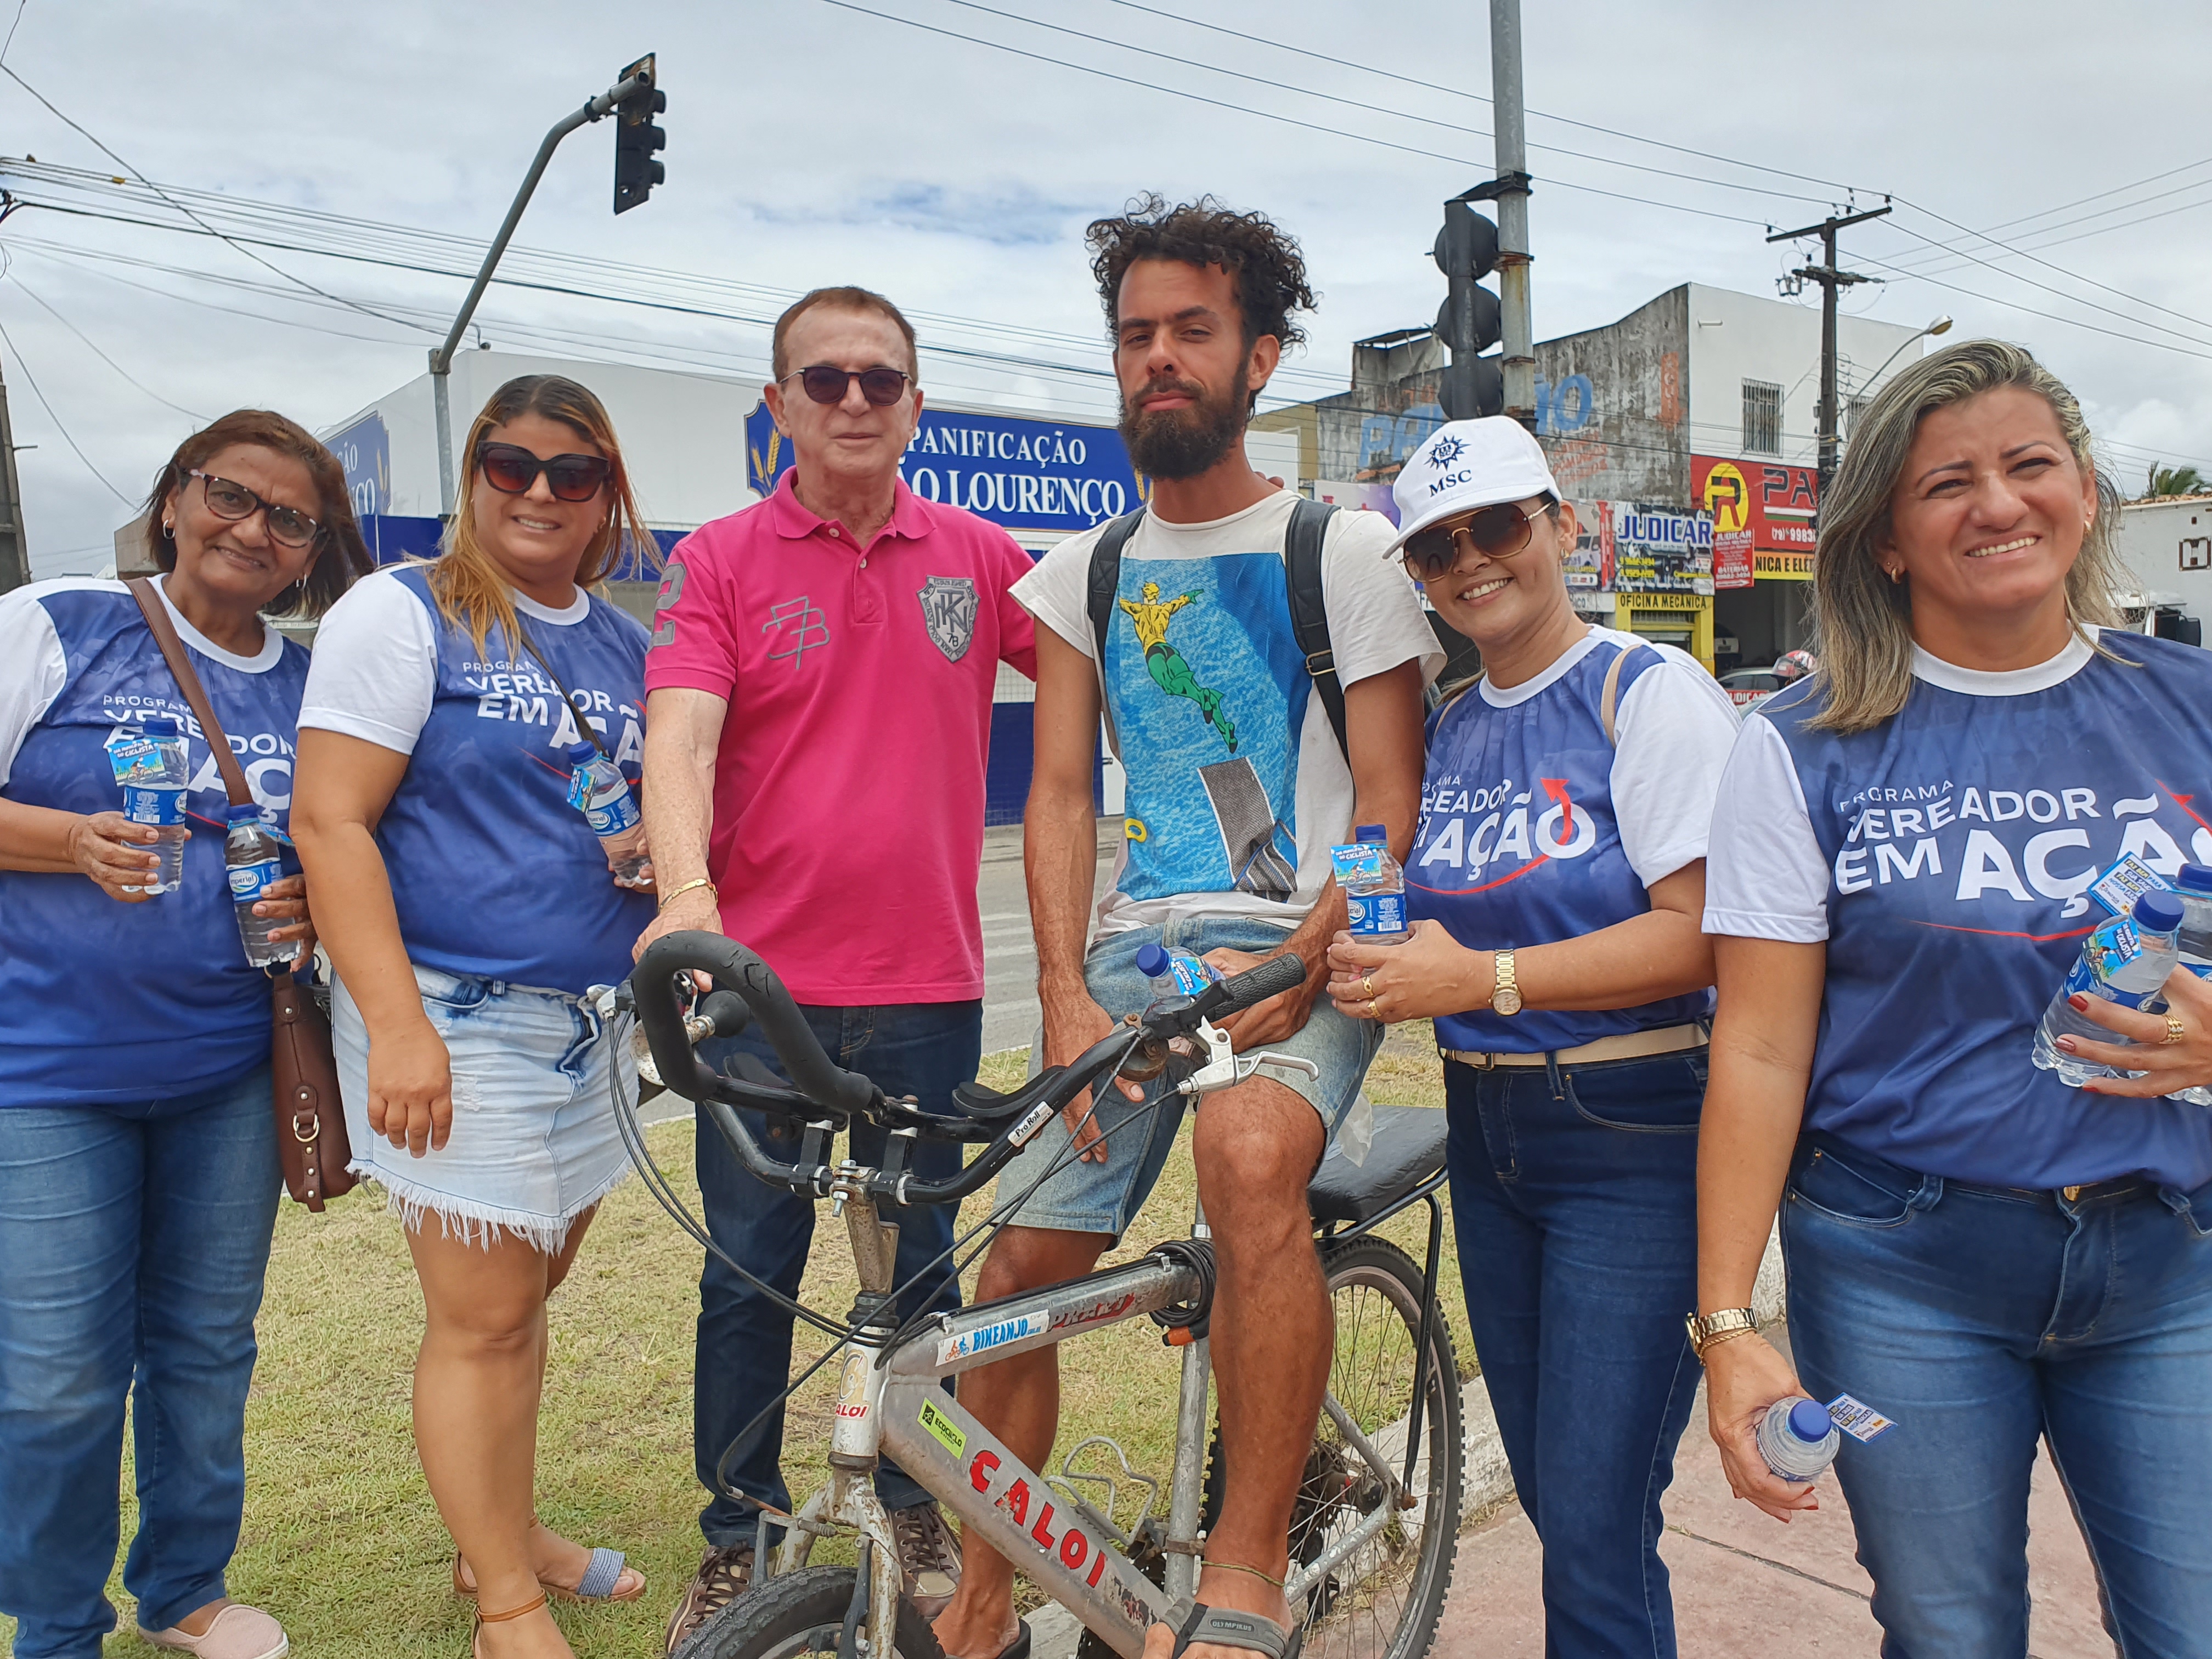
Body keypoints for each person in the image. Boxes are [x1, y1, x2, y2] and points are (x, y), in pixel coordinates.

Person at [931, 196, 1437, 1659]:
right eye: (1136, 334)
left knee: (1248, 1155)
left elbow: (1395, 806)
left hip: (1304, 937)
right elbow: (1063, 799)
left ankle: (1250, 1561)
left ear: (1261, 358)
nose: (1158, 357)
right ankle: (984, 1594)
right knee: (1014, 1272)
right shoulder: (1083, 571)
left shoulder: (1339, 552)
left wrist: (1316, 960)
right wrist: (1072, 1010)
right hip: (1141, 958)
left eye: (1191, 332)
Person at [1696, 340, 2212, 1653]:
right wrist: (1729, 1327)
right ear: (1884, 538)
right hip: (1899, 1267)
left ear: (2087, 492)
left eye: (2030, 465)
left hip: (2174, 1258)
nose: (1998, 504)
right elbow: (1758, 1047)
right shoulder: (1800, 746)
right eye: (1948, 483)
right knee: (1949, 1633)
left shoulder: (2193, 706)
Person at [636, 285, 1037, 1654]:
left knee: (922, 1266)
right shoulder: (723, 561)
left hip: (929, 985)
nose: (855, 400)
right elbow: (681, 742)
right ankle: (739, 1537)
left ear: (917, 404)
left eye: (881, 380)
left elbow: (1122, 656)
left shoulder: (985, 559)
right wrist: (689, 899)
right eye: (826, 381)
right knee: (750, 1269)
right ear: (780, 407)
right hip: (760, 997)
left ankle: (918, 1507)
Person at [1323, 417, 1741, 1657]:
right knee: (1569, 1506)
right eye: (1436, 547)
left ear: (1563, 525)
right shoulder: (1453, 723)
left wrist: (1484, 975)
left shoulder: (1644, 693)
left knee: (1601, 1521)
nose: (1469, 560)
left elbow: (1710, 935)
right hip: (1489, 1134)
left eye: (1496, 524)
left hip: (1635, 1133)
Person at [291, 375, 656, 1659]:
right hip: (455, 1009)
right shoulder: (403, 613)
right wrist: (397, 1028)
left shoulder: (620, 640)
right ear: (474, 477)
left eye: (574, 472)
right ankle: (506, 1603)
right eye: (512, 465)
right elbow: (329, 820)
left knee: (530, 1293)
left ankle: (492, 1533)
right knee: (484, 1315)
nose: (542, 493)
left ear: (611, 490)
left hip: (592, 1023)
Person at [0, 410, 369, 1659]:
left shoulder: (315, 683)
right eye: (228, 495)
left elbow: (354, 842)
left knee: (208, 1349)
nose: (251, 529)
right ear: (173, 500)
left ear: (313, 553)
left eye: (290, 519)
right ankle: (56, 1626)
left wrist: (320, 900)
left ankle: (185, 1590)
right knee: (56, 1375)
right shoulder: (60, 621)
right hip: (44, 1073)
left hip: (228, 1069)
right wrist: (68, 840)